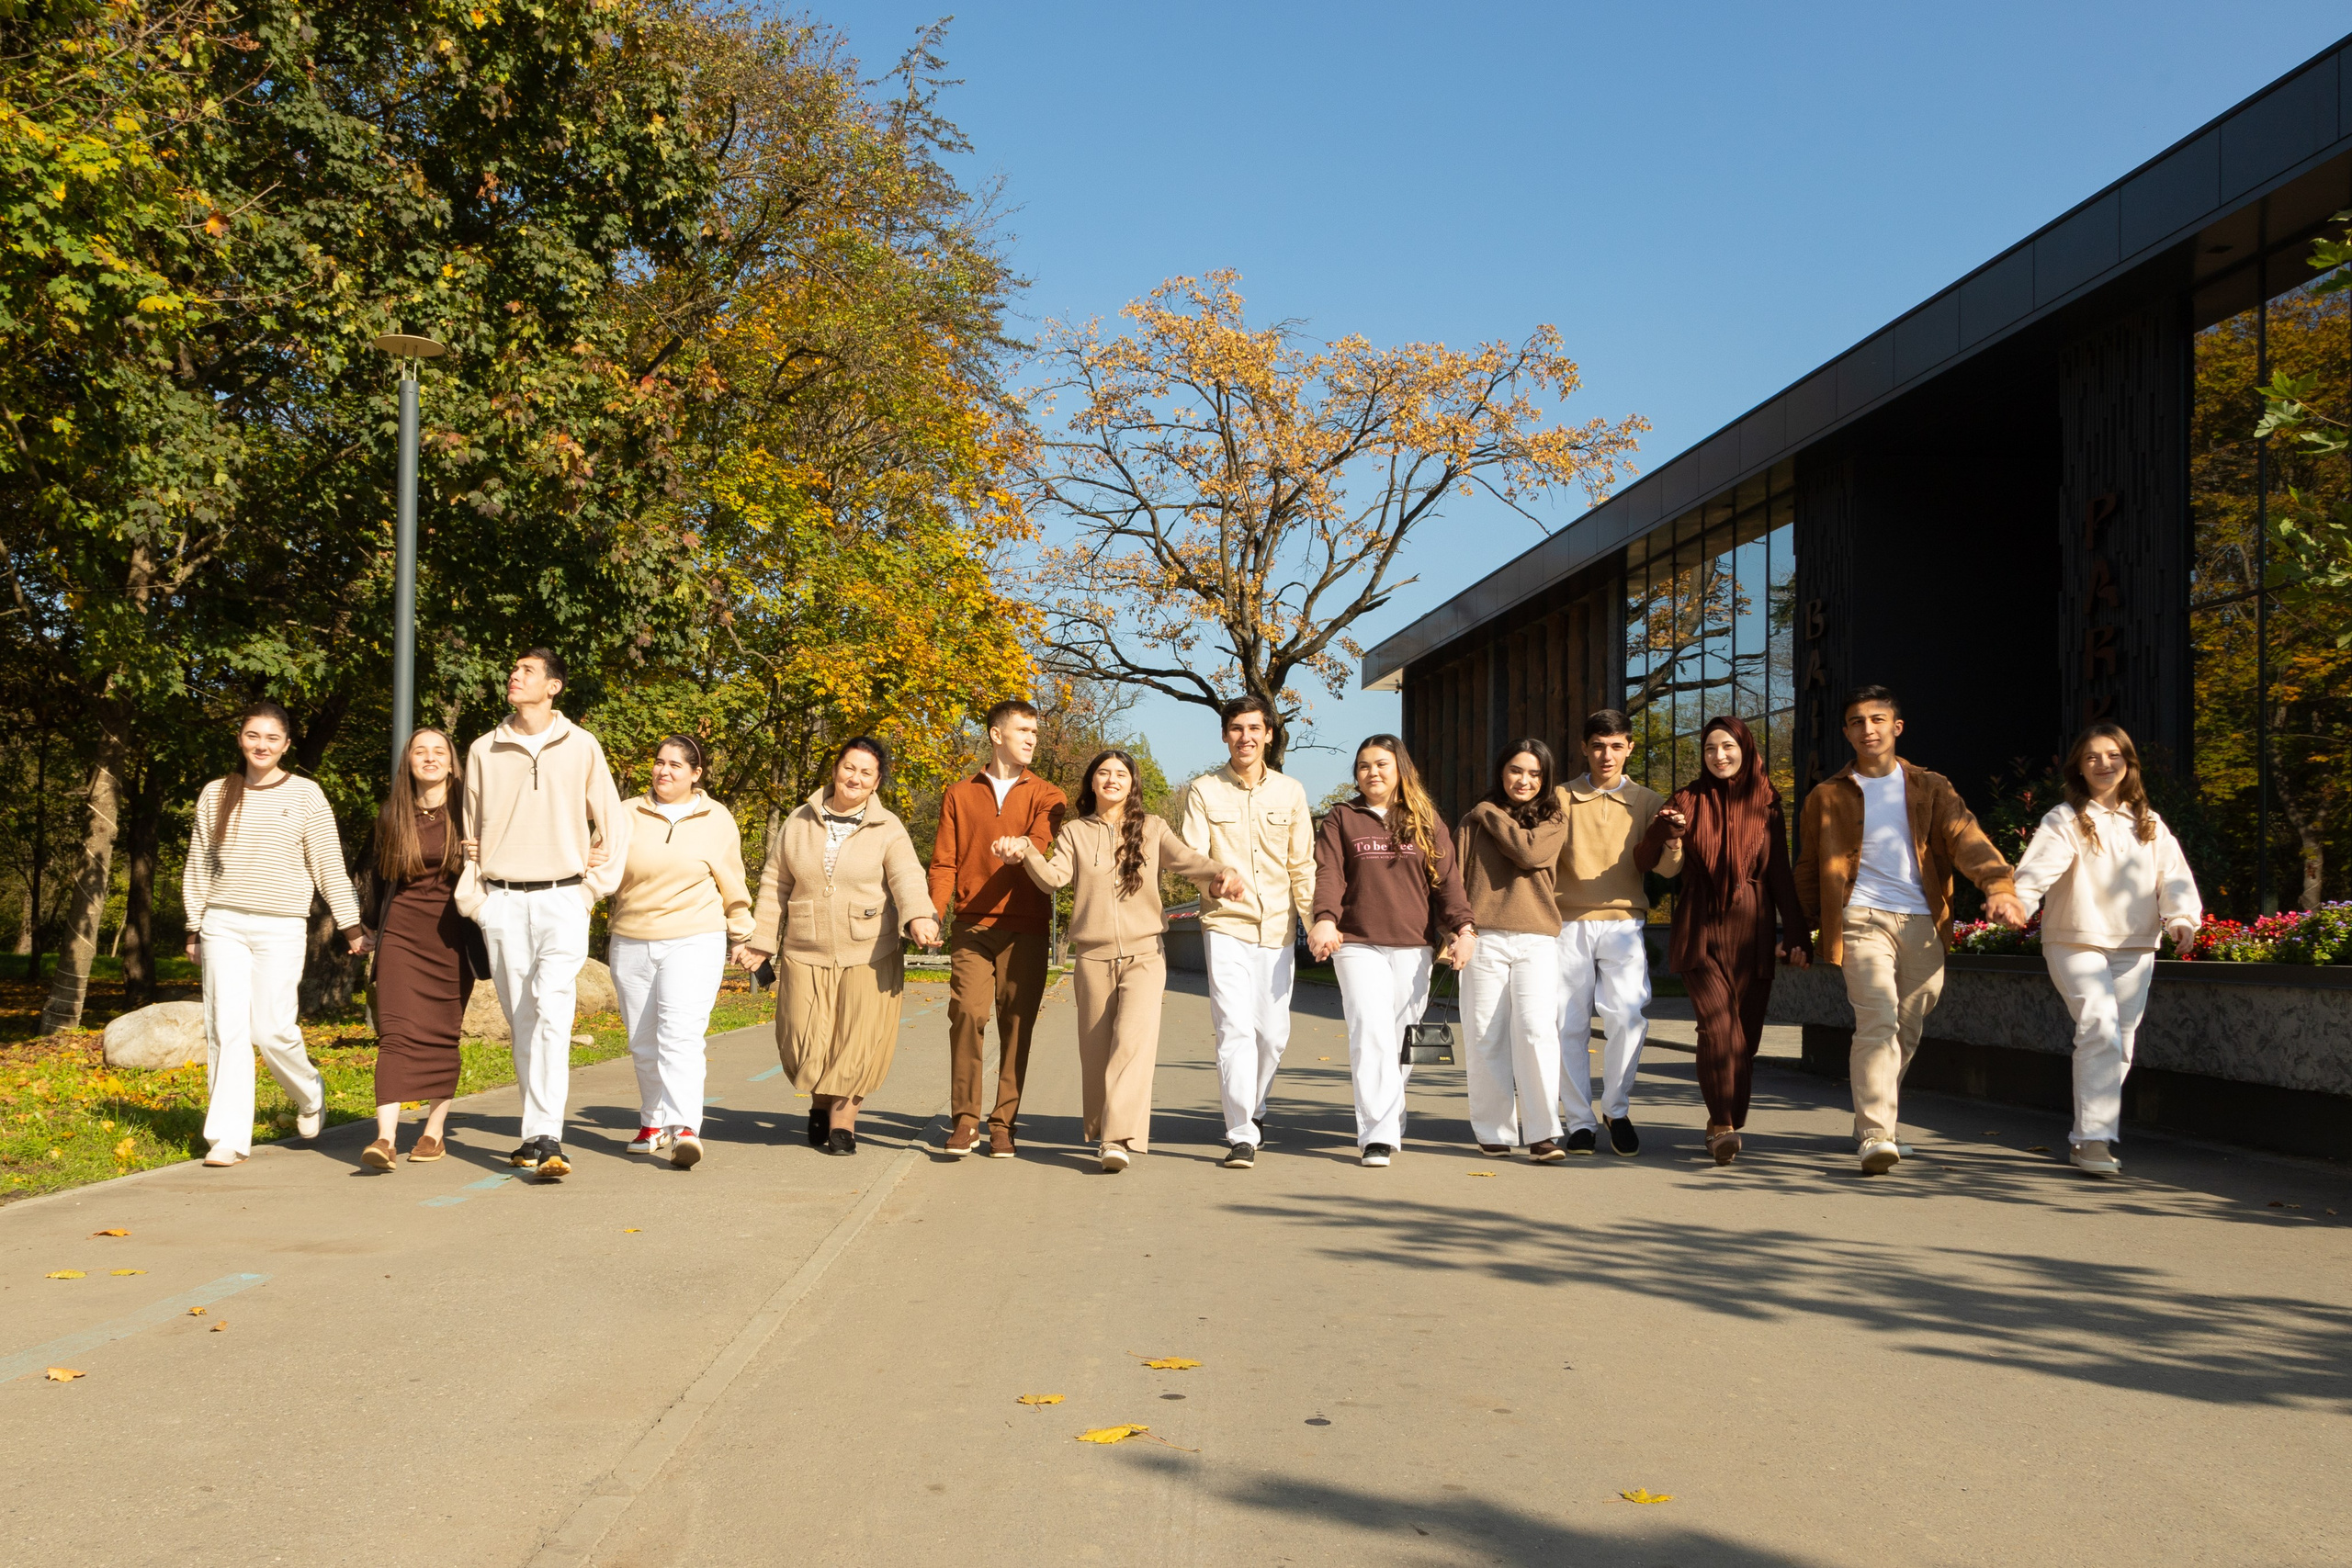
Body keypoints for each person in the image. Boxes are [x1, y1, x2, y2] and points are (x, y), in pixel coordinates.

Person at [1794, 684, 2023, 1175]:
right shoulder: (1826, 796)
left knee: (1908, 1025)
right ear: (1847, 732)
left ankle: (1871, 1116)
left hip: (1922, 921)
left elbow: (1967, 838)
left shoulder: (1930, 787)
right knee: (1877, 1019)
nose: (1868, 729)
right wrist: (1799, 929)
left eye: (1878, 719)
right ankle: (1878, 1134)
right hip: (1861, 918)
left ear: (1896, 727)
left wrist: (1998, 885)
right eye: (1857, 721)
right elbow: (1810, 867)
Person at [1003, 749, 1236, 1172]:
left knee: (1131, 1044)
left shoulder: (1152, 828)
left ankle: (1117, 1138)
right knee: (1095, 1051)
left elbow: (1188, 861)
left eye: (1121, 774)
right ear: (1092, 782)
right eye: (1103, 773)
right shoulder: (1075, 832)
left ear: (1132, 783)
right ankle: (1103, 1130)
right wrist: (1027, 853)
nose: (1111, 780)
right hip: (1092, 957)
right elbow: (1054, 878)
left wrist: (1221, 874)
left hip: (1145, 954)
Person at [456, 648, 630, 1180]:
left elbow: (614, 823)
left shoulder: (581, 746)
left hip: (563, 898)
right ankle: (534, 1134)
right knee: (522, 1019)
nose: (514, 675)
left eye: (528, 671)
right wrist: (478, 903)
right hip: (503, 902)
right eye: (514, 669)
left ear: (553, 687)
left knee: (553, 1011)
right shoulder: (484, 749)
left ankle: (546, 1132)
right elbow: (471, 836)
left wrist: (590, 890)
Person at [2005, 723, 2201, 1179]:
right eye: (2092, 756)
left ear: (2128, 763)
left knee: (2121, 1041)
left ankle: (2092, 1133)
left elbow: (2172, 876)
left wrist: (2181, 918)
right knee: (2100, 1026)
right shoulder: (2064, 819)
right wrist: (2020, 902)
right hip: (2075, 941)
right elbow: (2038, 870)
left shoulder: (2148, 821)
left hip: (2135, 946)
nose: (2103, 764)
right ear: (2079, 766)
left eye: (2113, 755)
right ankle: (2091, 1140)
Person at [181, 701, 367, 1167]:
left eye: (271, 738)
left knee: (273, 1029)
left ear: (286, 745)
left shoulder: (305, 795)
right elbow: (200, 863)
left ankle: (309, 1093)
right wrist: (193, 926)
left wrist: (351, 925)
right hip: (222, 923)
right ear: (240, 739)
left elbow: (328, 864)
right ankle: (228, 1137)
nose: (261, 745)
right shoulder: (215, 793)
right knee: (226, 1028)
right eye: (252, 735)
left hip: (280, 926)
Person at [741, 738, 941, 1156]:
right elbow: (774, 883)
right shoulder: (799, 821)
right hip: (805, 947)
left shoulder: (889, 827)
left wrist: (920, 916)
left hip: (869, 951)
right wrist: (761, 942)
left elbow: (907, 876)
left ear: (877, 782)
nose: (856, 778)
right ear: (836, 770)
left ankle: (843, 1123)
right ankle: (819, 1103)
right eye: (850, 768)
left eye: (867, 773)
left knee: (857, 1041)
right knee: (803, 1038)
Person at [1638, 717, 1811, 1166]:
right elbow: (1643, 859)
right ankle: (1721, 1123)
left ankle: (1727, 1119)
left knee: (1745, 1040)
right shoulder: (1685, 800)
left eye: (1728, 746)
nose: (1719, 755)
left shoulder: (1767, 803)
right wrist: (1663, 831)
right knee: (1718, 1030)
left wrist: (1795, 935)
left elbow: (1779, 876)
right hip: (1700, 926)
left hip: (1752, 928)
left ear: (1745, 748)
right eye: (1710, 748)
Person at [1308, 735, 1475, 1168]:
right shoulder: (1341, 818)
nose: (1372, 772)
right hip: (1357, 942)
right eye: (1363, 766)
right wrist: (1325, 918)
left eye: (1381, 764)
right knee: (1370, 1032)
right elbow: (1328, 874)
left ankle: (1388, 1110)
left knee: (1401, 1037)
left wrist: (1463, 928)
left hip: (1414, 944)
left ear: (1400, 768)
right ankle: (1376, 1135)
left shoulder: (1425, 820)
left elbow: (1447, 882)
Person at [1175, 694, 1317, 1169]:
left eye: (1255, 728)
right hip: (1225, 925)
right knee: (1233, 1028)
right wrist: (1216, 875)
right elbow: (1189, 856)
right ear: (1225, 735)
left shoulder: (1291, 792)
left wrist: (1316, 922)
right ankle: (1241, 1132)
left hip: (1278, 929)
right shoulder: (1204, 790)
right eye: (1237, 728)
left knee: (1272, 1036)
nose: (1246, 737)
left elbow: (1302, 866)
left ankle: (1253, 1107)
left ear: (1269, 734)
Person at [926, 700, 1068, 1159]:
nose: (1031, 739)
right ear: (995, 734)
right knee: (968, 1013)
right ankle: (965, 1121)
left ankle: (1003, 1122)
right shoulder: (959, 793)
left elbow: (1042, 842)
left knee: (1016, 1023)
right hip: (972, 924)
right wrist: (932, 912)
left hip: (1026, 924)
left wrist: (1022, 846)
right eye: (1023, 730)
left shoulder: (1049, 794)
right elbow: (944, 862)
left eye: (1035, 733)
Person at [609, 734, 754, 1169]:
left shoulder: (716, 817)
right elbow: (600, 866)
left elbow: (732, 879)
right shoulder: (625, 812)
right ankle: (653, 1122)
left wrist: (742, 932)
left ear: (696, 774)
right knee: (642, 1040)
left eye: (675, 765)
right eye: (658, 762)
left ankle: (685, 1128)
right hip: (632, 936)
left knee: (680, 1035)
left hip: (695, 935)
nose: (663, 771)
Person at [1553, 710, 1680, 1156]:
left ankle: (1616, 1108)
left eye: (1616, 746)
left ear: (1629, 748)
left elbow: (1666, 868)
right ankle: (1579, 1122)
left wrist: (1673, 839)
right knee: (1568, 1025)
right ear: (1585, 748)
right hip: (1567, 923)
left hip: (1625, 922)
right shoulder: (1560, 798)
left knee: (1627, 1017)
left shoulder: (1648, 800)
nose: (1607, 755)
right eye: (1598, 746)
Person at [361, 727, 486, 1170]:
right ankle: (385, 1138)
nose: (430, 758)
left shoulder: (472, 812)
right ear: (408, 762)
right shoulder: (392, 814)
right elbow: (377, 878)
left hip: (454, 937)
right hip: (402, 935)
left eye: (439, 751)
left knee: (442, 1032)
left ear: (453, 762)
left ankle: (434, 1132)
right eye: (420, 751)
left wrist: (481, 853)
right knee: (394, 1033)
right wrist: (366, 929)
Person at [1455, 740, 1570, 1161]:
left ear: (1545, 778)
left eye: (1535, 773)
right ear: (1501, 772)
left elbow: (1529, 852)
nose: (1525, 780)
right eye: (1516, 771)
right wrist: (1453, 932)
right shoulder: (1470, 823)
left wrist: (1488, 812)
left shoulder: (1553, 817)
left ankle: (1542, 1133)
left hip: (1536, 939)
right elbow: (1455, 876)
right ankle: (1493, 1130)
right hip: (1483, 936)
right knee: (1485, 1034)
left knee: (1536, 1031)